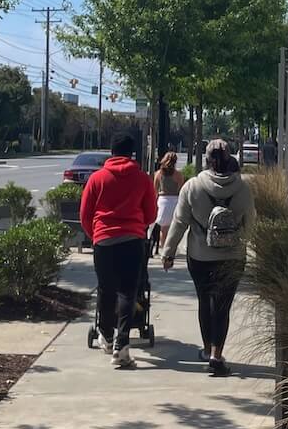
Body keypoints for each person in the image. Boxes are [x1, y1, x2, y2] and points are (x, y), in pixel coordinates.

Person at [161, 138, 255, 376]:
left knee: (205, 300)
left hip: (200, 256)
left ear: (207, 160)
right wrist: (242, 241)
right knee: (223, 305)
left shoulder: (192, 186)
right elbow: (251, 225)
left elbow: (180, 223)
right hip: (232, 257)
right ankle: (216, 353)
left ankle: (205, 349)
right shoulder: (243, 189)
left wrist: (168, 253)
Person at [79, 132, 157, 370]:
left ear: (111, 152)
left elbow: (85, 214)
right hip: (132, 241)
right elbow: (152, 214)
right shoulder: (142, 179)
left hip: (103, 241)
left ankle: (106, 333)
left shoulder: (97, 178)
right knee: (127, 292)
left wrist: (96, 236)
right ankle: (121, 346)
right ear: (132, 153)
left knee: (106, 289)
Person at [153, 150, 184, 253]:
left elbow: (155, 190)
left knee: (163, 229)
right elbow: (181, 190)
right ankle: (172, 249)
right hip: (175, 201)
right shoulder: (178, 175)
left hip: (163, 201)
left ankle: (163, 249)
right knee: (173, 229)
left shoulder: (158, 174)